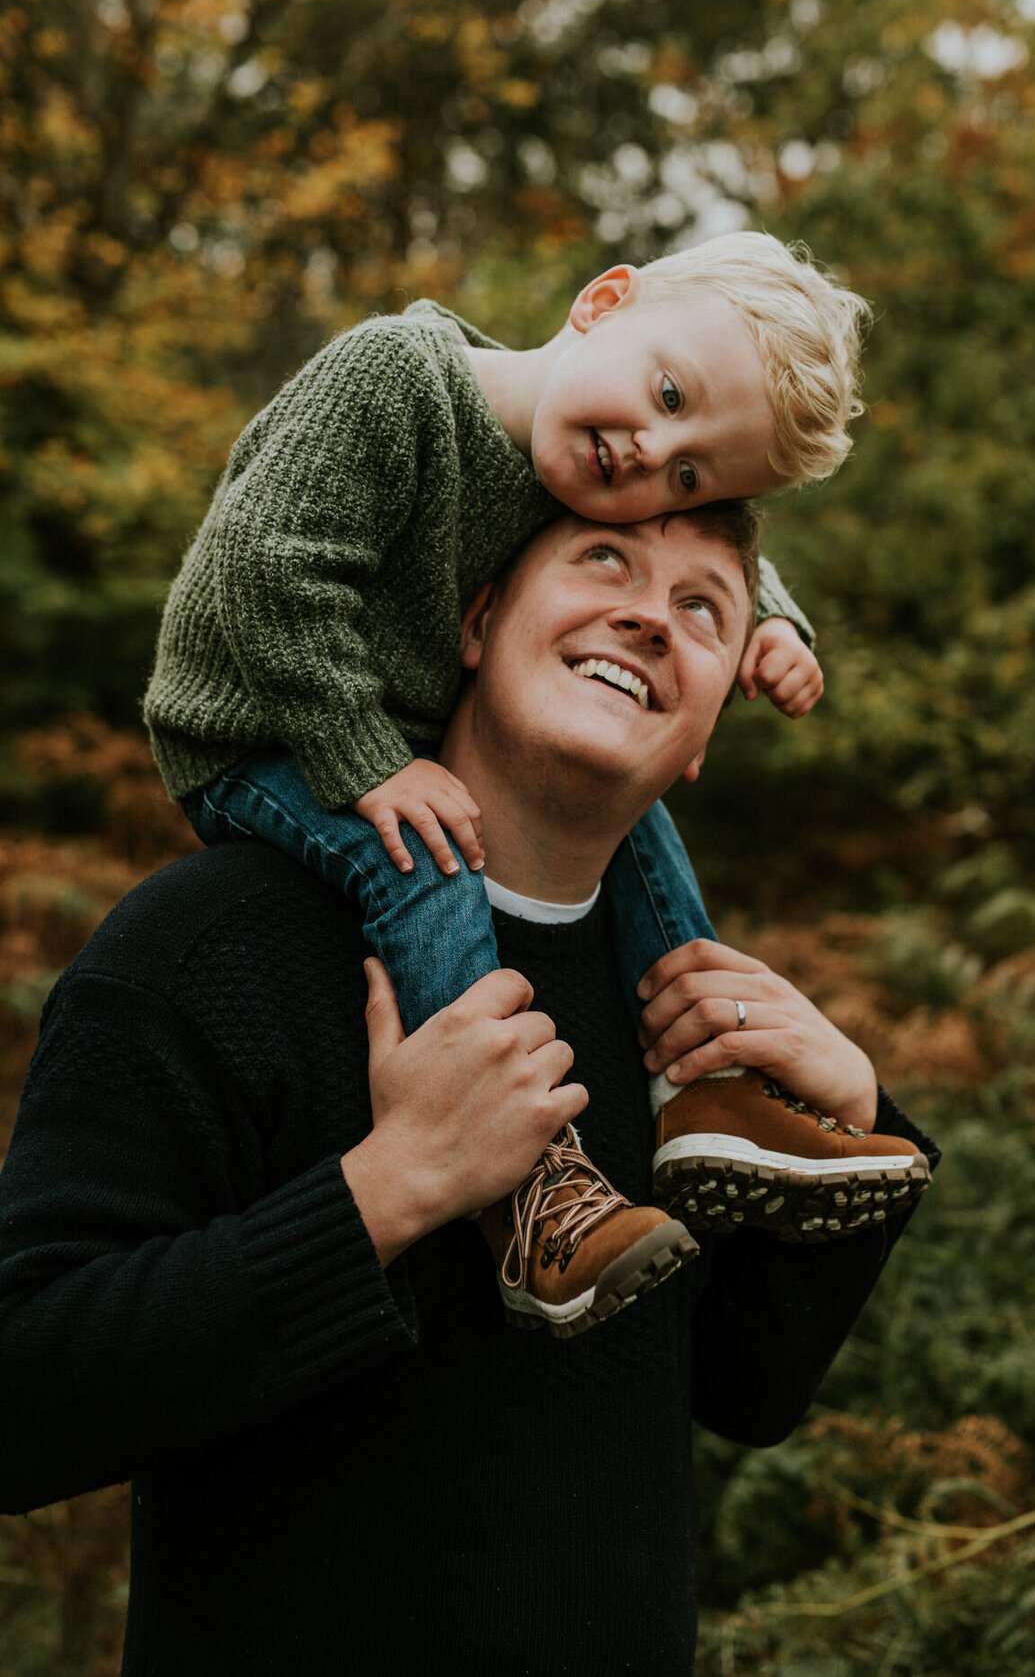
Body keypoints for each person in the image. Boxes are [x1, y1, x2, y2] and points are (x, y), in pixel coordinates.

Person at [0, 505, 938, 1676]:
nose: (650, 614)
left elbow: (742, 1388)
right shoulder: (212, 941)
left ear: (703, 732)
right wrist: (396, 1187)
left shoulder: (675, 1018)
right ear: (476, 622)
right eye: (606, 559)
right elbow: (23, 1389)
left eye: (705, 605)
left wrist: (851, 1112)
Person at [141, 232, 914, 1290]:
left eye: (687, 469)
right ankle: (528, 1182)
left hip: (385, 730)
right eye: (670, 392)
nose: (651, 454)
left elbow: (720, 553)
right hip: (256, 729)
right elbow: (265, 573)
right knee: (421, 852)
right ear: (602, 301)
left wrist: (773, 623)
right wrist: (369, 764)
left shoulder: (589, 465)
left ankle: (712, 1088)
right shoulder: (396, 381)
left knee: (642, 833)